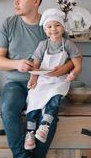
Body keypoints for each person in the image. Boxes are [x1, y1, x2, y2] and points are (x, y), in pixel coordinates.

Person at [0, 0, 78, 158]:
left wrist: (61, 71)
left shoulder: (52, 26)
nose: (15, 2)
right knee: (8, 110)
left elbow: (72, 59)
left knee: (48, 119)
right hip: (16, 85)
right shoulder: (8, 24)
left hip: (46, 85)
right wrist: (17, 64)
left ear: (36, 1)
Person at [24, 8, 82, 150]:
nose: (53, 30)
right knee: (33, 97)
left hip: (60, 80)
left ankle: (44, 126)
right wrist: (33, 78)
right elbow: (36, 64)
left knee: (55, 97)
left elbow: (78, 65)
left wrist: (72, 75)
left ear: (63, 27)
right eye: (49, 27)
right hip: (43, 79)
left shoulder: (68, 45)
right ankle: (30, 132)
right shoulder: (43, 45)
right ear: (45, 30)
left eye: (57, 25)